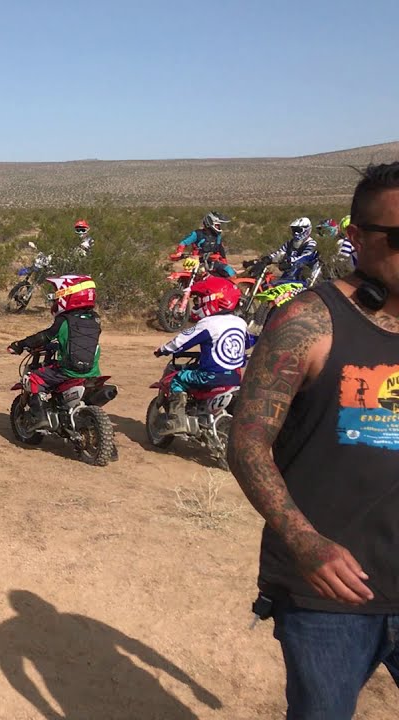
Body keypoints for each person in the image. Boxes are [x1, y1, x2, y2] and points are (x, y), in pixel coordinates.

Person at [228, 162, 399, 719]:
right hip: (328, 590)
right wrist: (305, 543)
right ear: (356, 239)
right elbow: (248, 442)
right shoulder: (310, 320)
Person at [151, 276, 253, 435]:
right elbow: (248, 342)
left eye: (200, 300)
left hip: (210, 376)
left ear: (213, 299)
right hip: (234, 377)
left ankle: (177, 421)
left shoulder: (208, 324)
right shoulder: (239, 322)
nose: (198, 304)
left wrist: (163, 349)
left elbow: (181, 342)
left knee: (177, 378)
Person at [7, 275, 102, 431]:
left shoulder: (65, 320)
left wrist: (20, 344)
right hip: (92, 371)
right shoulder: (95, 319)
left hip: (69, 371)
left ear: (70, 296)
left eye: (59, 295)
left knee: (35, 378)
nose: (56, 300)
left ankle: (41, 418)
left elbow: (44, 337)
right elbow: (78, 340)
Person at [257, 217, 322, 285]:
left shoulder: (311, 243)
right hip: (289, 276)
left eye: (298, 230)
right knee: (268, 286)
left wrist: (289, 260)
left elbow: (305, 257)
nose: (296, 233)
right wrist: (268, 259)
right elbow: (280, 252)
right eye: (294, 230)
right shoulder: (290, 243)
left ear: (307, 230)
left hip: (304, 278)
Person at [172, 211, 235, 277]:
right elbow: (184, 243)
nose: (219, 227)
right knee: (195, 275)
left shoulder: (217, 236)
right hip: (196, 261)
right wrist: (179, 252)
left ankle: (232, 286)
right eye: (217, 225)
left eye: (219, 226)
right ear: (210, 223)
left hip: (211, 262)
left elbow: (220, 248)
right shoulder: (197, 234)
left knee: (229, 271)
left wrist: (224, 261)